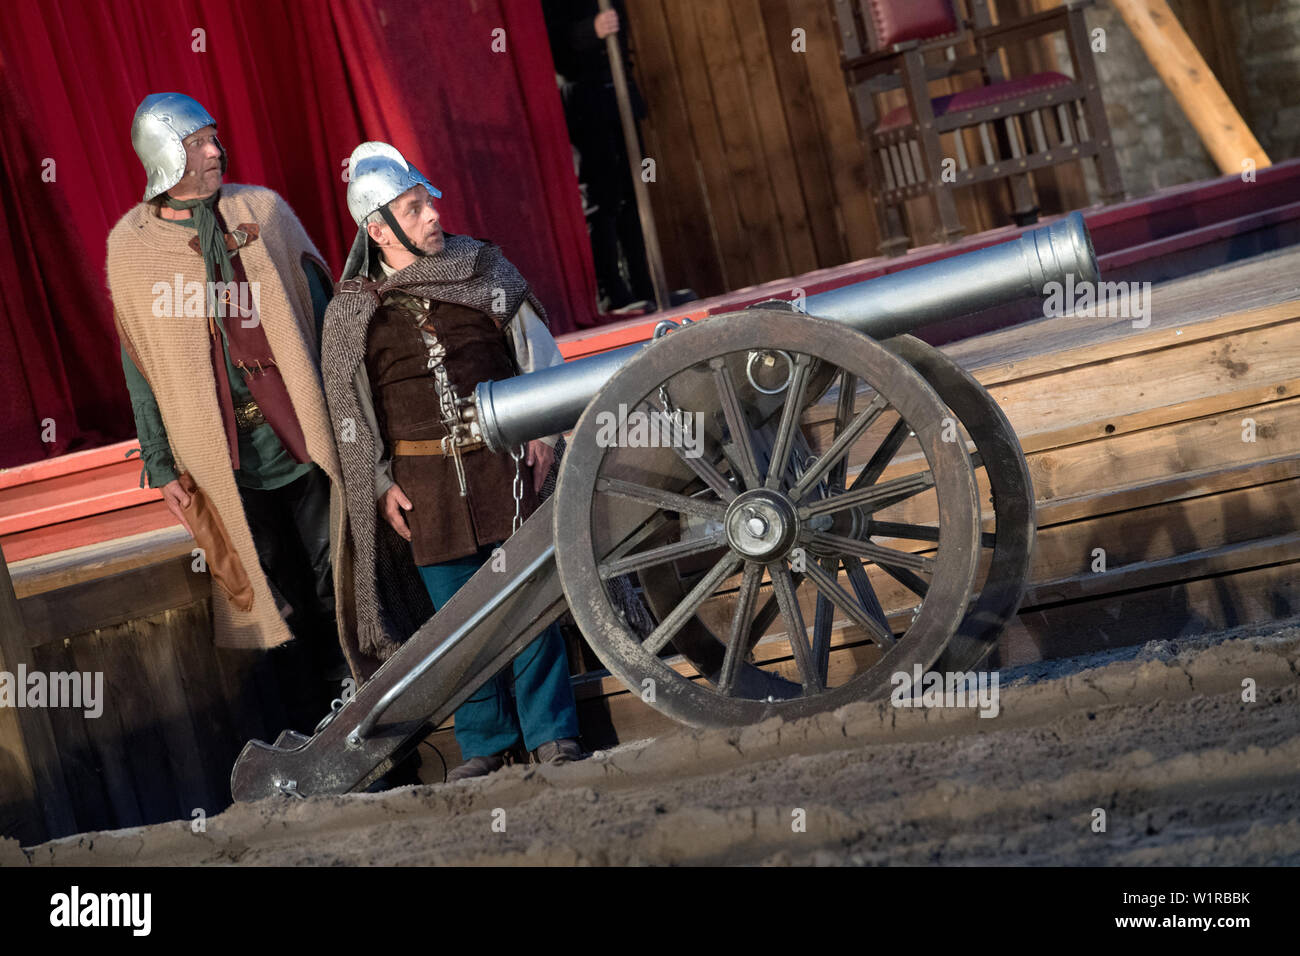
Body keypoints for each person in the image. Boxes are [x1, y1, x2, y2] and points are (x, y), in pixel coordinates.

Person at [321, 142, 582, 782]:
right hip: (425, 487)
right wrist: (379, 485)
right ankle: (486, 743)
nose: (433, 215)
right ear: (378, 230)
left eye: (428, 202)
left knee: (526, 603)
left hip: (505, 465)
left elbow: (538, 355)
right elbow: (351, 415)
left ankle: (553, 736)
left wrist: (545, 431)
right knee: (458, 625)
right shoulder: (353, 311)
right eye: (414, 210)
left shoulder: (483, 268)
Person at [107, 93, 351, 732]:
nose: (216, 152)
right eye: (197, 144)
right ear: (166, 156)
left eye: (214, 139)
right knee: (268, 597)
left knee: (339, 579)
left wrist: (351, 412)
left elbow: (326, 315)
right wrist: (159, 463)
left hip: (298, 438)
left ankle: (363, 708)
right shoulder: (132, 247)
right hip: (222, 459)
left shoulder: (261, 211)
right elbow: (141, 364)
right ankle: (308, 731)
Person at [544, 0, 655, 312]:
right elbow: (551, 46)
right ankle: (611, 291)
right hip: (583, 102)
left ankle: (643, 283)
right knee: (598, 199)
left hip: (616, 95)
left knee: (631, 195)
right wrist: (590, 30)